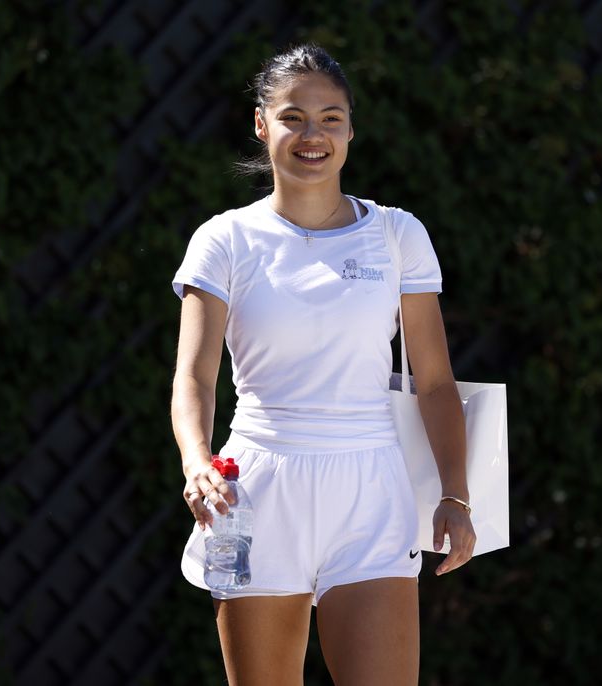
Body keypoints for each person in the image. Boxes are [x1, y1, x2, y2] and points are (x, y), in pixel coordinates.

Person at [170, 43, 475, 686]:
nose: (314, 135)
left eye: (331, 118)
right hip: (252, 496)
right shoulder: (223, 240)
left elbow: (436, 382)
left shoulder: (397, 235)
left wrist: (456, 493)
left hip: (372, 495)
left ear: (351, 129)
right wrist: (197, 462)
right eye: (294, 117)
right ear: (262, 124)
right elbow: (193, 377)